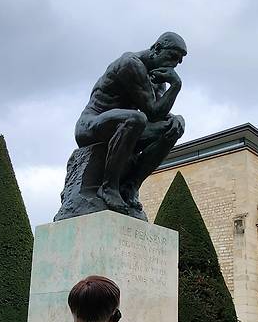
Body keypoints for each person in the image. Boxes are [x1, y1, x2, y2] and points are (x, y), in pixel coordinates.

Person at [75, 32, 187, 215]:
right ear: (157, 48)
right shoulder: (130, 63)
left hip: (126, 127)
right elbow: (152, 112)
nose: (174, 64)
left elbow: (160, 114)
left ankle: (130, 186)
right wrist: (176, 86)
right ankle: (108, 187)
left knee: (173, 128)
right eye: (172, 57)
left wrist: (177, 119)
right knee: (136, 119)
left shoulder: (158, 78)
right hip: (91, 126)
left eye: (179, 61)